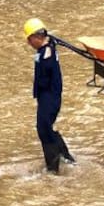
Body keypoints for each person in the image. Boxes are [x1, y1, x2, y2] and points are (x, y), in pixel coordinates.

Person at [24, 18, 76, 174]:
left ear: (35, 37)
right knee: (48, 127)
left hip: (49, 96)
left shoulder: (46, 52)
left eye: (29, 39)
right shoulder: (48, 46)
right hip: (48, 96)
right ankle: (66, 157)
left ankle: (53, 169)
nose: (29, 43)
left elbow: (44, 76)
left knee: (44, 130)